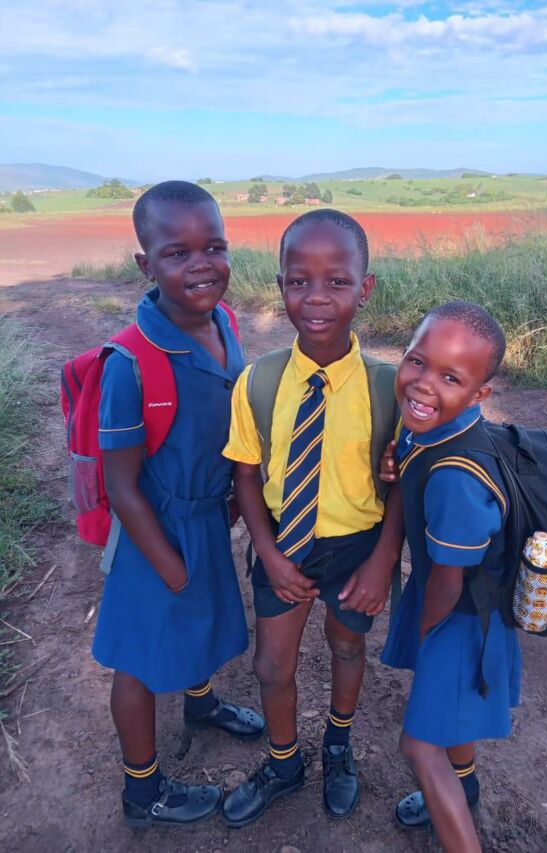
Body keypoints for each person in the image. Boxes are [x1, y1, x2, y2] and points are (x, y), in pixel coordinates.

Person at [221, 209, 403, 827]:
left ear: (365, 288)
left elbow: (403, 485)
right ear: (280, 287)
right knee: (271, 665)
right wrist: (269, 554)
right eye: (299, 281)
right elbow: (247, 474)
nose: (317, 297)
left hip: (358, 547)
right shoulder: (259, 381)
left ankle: (338, 745)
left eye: (337, 281)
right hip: (283, 543)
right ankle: (283, 763)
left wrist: (382, 562)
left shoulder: (389, 389)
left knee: (348, 645)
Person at [92, 181, 264, 829]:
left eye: (214, 246)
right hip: (153, 532)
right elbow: (121, 485)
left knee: (201, 617)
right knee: (137, 658)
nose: (201, 265)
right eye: (176, 253)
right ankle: (143, 790)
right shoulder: (130, 362)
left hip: (207, 516)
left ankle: (201, 702)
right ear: (146, 264)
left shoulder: (225, 323)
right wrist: (167, 563)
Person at [380, 301, 521, 853]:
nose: (424, 385)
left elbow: (448, 582)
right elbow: (409, 458)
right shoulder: (432, 429)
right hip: (462, 609)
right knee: (451, 720)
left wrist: (425, 634)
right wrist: (396, 463)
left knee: (419, 747)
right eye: (417, 361)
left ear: (480, 394)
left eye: (450, 378)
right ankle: (466, 785)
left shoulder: (456, 478)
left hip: (460, 622)